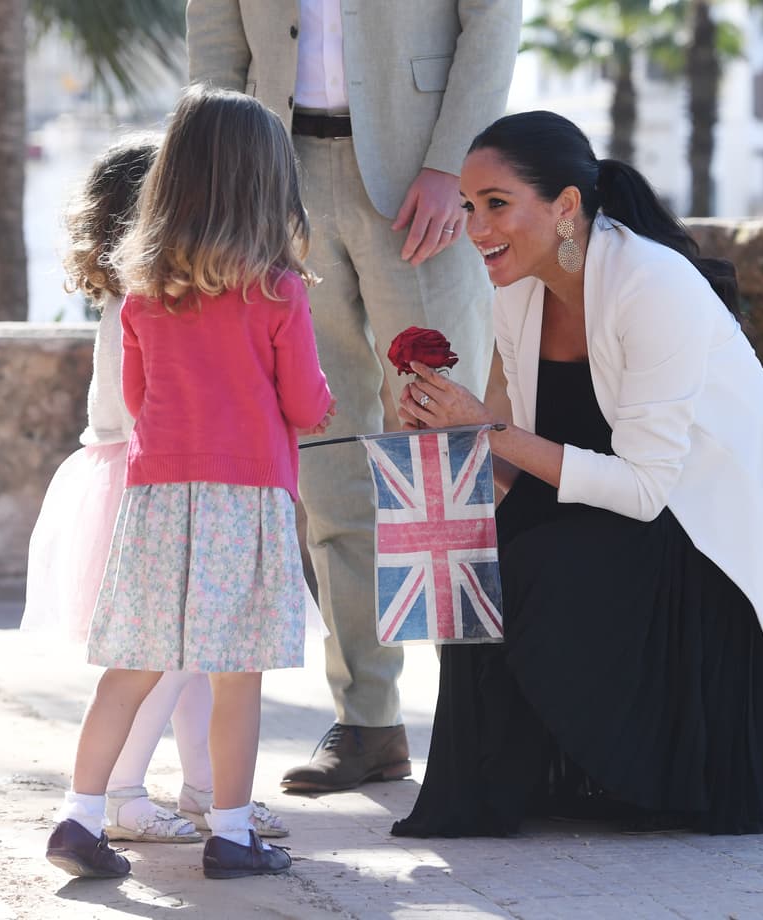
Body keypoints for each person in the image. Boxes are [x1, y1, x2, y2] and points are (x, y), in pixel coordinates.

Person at [388, 111, 763, 837]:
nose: (475, 227)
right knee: (479, 556)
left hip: (715, 526)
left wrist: (484, 427)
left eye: (495, 204)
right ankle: (492, 786)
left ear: (565, 206)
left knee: (538, 562)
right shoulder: (516, 291)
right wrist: (447, 435)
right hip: (613, 504)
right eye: (468, 206)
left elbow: (646, 489)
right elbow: (512, 461)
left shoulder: (651, 284)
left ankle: (625, 768)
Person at [185, 0, 521, 795]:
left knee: (442, 464)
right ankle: (368, 721)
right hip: (278, 182)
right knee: (328, 459)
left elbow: (494, 18)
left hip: (423, 184)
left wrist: (454, 165)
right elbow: (214, 37)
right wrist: (225, 180)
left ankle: (477, 722)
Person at [43, 86, 334, 880]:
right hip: (246, 501)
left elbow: (139, 403)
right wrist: (320, 406)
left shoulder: (141, 295)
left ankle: (80, 817)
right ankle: (232, 835)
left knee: (128, 669)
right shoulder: (277, 291)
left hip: (158, 500)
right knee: (237, 678)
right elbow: (305, 401)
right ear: (267, 187)